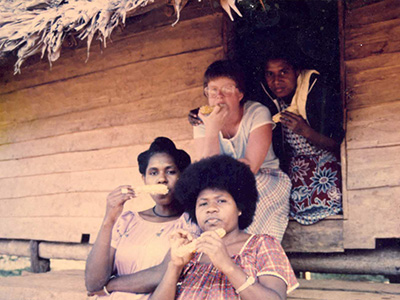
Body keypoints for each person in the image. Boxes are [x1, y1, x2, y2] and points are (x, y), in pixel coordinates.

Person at [149, 155, 299, 300]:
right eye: (203, 203)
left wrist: (227, 266)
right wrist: (175, 267)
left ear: (240, 207)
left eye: (221, 201)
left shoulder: (262, 245)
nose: (211, 209)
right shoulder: (191, 252)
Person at [189, 59, 291, 242]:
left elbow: (249, 169)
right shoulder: (203, 121)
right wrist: (212, 129)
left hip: (264, 178)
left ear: (240, 93)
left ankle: (247, 257)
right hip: (222, 187)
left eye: (227, 88)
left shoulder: (257, 112)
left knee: (246, 210)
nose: (219, 96)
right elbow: (206, 174)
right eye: (212, 90)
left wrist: (219, 170)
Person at [85, 137, 199, 299]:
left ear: (182, 177)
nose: (161, 179)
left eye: (170, 171)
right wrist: (108, 220)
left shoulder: (190, 223)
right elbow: (92, 283)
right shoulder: (127, 220)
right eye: (153, 173)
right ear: (144, 180)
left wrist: (109, 285)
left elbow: (162, 273)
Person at [260, 54, 344, 225]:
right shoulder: (268, 100)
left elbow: (336, 144)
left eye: (284, 72)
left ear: (297, 72)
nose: (277, 80)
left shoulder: (315, 92)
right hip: (295, 166)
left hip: (325, 161)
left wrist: (305, 131)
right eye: (270, 74)